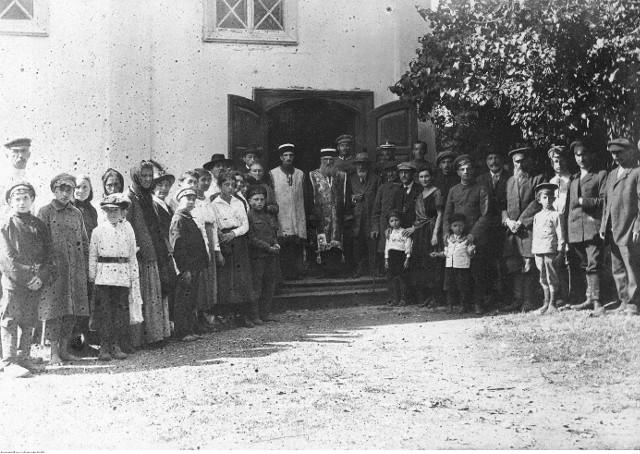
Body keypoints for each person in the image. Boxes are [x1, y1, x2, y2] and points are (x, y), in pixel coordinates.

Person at [0, 182, 54, 377]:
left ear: (32, 200)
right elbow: (7, 259)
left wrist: (41, 277)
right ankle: (8, 361)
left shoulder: (39, 225)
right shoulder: (6, 225)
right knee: (10, 319)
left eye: (26, 198)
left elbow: (49, 255)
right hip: (15, 283)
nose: (22, 202)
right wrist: (27, 278)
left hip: (36, 282)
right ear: (9, 201)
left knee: (30, 319)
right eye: (17, 198)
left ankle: (25, 357)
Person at [38, 174, 90, 364]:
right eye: (62, 189)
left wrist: (85, 267)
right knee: (54, 311)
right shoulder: (46, 212)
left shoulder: (76, 213)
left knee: (72, 310)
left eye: (69, 189)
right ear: (54, 190)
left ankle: (64, 350)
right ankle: (53, 353)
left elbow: (84, 241)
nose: (66, 193)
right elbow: (40, 243)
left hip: (75, 269)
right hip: (54, 270)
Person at [89, 193, 139, 361]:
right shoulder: (98, 231)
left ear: (122, 212)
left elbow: (132, 254)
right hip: (104, 276)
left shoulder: (128, 229)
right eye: (108, 211)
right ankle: (104, 347)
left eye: (116, 211)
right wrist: (92, 275)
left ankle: (115, 345)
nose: (112, 214)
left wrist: (133, 275)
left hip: (122, 275)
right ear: (103, 212)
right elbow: (93, 255)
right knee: (105, 312)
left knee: (119, 312)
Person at [126, 161, 171, 348]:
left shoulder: (148, 198)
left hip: (155, 252)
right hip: (141, 255)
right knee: (143, 295)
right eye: (143, 176)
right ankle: (141, 339)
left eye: (149, 176)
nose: (147, 179)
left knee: (154, 294)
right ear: (136, 176)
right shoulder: (130, 199)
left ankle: (155, 334)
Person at [442, 155, 490, 314]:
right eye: (462, 169)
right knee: (460, 274)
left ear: (473, 170)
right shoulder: (453, 190)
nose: (466, 171)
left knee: (477, 272)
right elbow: (447, 215)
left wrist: (473, 235)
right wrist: (447, 234)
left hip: (475, 237)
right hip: (456, 238)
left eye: (468, 168)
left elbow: (486, 215)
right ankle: (464, 303)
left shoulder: (481, 188)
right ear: (457, 172)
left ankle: (478, 303)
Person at [599, 138, 640, 317]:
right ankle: (624, 301)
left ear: (630, 152)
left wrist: (638, 226)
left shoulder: (636, 173)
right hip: (612, 228)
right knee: (617, 267)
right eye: (613, 153)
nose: (616, 156)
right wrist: (603, 226)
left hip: (629, 227)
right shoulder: (611, 174)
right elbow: (607, 203)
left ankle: (634, 304)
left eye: (619, 152)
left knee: (631, 266)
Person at [564, 140, 607, 313]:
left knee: (593, 263)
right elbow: (567, 209)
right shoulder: (573, 179)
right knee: (583, 264)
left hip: (592, 227)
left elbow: (604, 201)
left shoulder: (600, 175)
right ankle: (588, 298)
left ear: (592, 155)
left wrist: (585, 202)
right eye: (577, 155)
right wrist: (566, 234)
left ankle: (597, 300)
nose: (581, 158)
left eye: (584, 154)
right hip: (575, 229)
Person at [500, 147, 544, 312]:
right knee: (514, 266)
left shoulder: (537, 179)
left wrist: (521, 221)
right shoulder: (510, 181)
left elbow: (537, 202)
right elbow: (502, 205)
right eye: (517, 162)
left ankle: (529, 300)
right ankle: (517, 299)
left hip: (528, 229)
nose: (521, 164)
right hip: (511, 231)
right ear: (513, 163)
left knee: (528, 264)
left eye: (523, 161)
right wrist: (507, 221)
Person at [212, 170, 254, 327]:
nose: (230, 188)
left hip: (239, 240)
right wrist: (223, 238)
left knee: (241, 278)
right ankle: (228, 315)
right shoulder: (215, 204)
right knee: (227, 279)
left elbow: (245, 225)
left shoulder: (238, 202)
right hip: (225, 242)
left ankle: (242, 315)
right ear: (220, 186)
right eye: (226, 184)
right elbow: (215, 225)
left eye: (232, 185)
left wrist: (234, 233)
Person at [169, 188, 210, 341]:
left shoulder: (188, 218)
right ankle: (182, 331)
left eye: (194, 199)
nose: (191, 202)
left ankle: (190, 328)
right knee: (182, 299)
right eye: (188, 198)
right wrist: (184, 269)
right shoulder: (178, 219)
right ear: (179, 200)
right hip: (187, 267)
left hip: (195, 266)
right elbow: (178, 246)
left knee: (191, 298)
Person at [404, 164, 444, 307]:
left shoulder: (436, 192)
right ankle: (426, 296)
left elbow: (439, 214)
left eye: (426, 176)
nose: (424, 179)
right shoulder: (420, 195)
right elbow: (418, 218)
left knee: (433, 264)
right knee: (422, 264)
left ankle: (436, 297)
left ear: (431, 177)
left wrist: (435, 234)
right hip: (420, 231)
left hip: (432, 229)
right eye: (421, 177)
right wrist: (415, 229)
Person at [476, 148, 511, 306]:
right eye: (490, 158)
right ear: (486, 162)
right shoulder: (480, 179)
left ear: (502, 160)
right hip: (487, 226)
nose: (494, 161)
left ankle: (506, 296)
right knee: (487, 261)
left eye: (497, 157)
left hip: (505, 224)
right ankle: (490, 296)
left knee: (505, 261)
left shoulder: (510, 178)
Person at [70, 173, 100, 354]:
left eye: (85, 188)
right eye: (78, 187)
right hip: (73, 260)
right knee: (74, 301)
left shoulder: (92, 210)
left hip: (88, 258)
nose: (81, 191)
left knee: (87, 301)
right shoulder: (70, 209)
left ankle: (85, 341)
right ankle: (72, 344)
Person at [309, 148, 349, 277]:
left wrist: (347, 213)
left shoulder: (342, 175)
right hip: (320, 216)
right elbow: (309, 196)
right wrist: (312, 213)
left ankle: (336, 269)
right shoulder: (313, 175)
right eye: (325, 159)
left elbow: (346, 195)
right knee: (323, 240)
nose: (328, 162)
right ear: (321, 161)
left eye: (330, 160)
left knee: (337, 240)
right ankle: (324, 270)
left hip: (337, 215)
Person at [270, 144, 307, 280]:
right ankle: (285, 274)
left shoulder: (300, 174)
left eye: (291, 155)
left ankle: (297, 272)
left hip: (297, 213)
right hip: (281, 214)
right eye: (285, 155)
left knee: (296, 243)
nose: (288, 158)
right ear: (281, 157)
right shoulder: (273, 174)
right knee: (284, 243)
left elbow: (306, 195)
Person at [192, 168, 223, 331]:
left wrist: (217, 249)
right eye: (203, 180)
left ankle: (206, 314)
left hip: (210, 240)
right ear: (195, 182)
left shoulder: (207, 200)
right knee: (200, 279)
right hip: (199, 241)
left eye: (208, 180)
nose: (206, 183)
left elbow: (214, 225)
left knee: (209, 280)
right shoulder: (192, 201)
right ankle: (197, 317)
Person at [548, 145, 578, 306]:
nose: (559, 164)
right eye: (555, 161)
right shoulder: (552, 181)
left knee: (570, 259)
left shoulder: (573, 179)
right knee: (557, 258)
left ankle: (572, 295)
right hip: (555, 223)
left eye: (562, 160)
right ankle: (560, 294)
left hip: (569, 221)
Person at [247, 185, 280, 324]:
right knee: (257, 286)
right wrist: (268, 247)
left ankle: (265, 314)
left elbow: (272, 233)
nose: (259, 202)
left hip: (270, 255)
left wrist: (276, 243)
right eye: (256, 199)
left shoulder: (268, 216)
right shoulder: (248, 216)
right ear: (249, 201)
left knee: (269, 284)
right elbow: (252, 238)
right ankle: (255, 316)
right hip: (257, 256)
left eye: (262, 199)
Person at [531, 183, 565, 314]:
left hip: (551, 250)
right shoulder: (537, 216)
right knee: (542, 276)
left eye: (551, 197)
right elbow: (535, 234)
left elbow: (561, 234)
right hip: (539, 250)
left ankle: (553, 303)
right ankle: (545, 303)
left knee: (552, 276)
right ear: (539, 199)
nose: (548, 200)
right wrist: (534, 251)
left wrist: (561, 250)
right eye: (545, 197)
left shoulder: (556, 215)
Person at [346, 152, 381, 277]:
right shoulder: (351, 179)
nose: (361, 167)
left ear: (368, 166)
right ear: (355, 166)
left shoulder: (376, 179)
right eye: (358, 164)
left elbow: (379, 198)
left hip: (371, 217)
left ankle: (374, 269)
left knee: (373, 243)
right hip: (357, 217)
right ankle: (359, 269)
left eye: (363, 164)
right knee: (357, 245)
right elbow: (345, 198)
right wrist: (353, 198)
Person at [371, 161, 402, 277]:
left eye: (393, 171)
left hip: (399, 224)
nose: (390, 174)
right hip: (384, 224)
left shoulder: (401, 187)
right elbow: (376, 210)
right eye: (388, 172)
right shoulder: (382, 188)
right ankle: (383, 271)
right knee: (383, 248)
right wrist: (375, 227)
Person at [441, 213, 476, 314]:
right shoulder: (448, 239)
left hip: (462, 266)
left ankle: (463, 305)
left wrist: (472, 250)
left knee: (463, 286)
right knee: (449, 286)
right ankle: (450, 305)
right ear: (451, 227)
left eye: (460, 226)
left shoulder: (466, 240)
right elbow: (446, 252)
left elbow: (470, 253)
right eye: (455, 226)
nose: (458, 228)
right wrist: (438, 254)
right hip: (450, 266)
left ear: (464, 226)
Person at [384, 210, 413, 307]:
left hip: (401, 256)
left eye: (396, 220)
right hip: (392, 256)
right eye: (391, 221)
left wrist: (407, 258)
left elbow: (408, 245)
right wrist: (386, 259)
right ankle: (395, 299)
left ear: (400, 221)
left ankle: (403, 299)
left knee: (402, 278)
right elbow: (387, 246)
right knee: (393, 278)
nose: (394, 223)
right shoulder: (389, 233)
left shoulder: (404, 232)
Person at [0, 138, 33, 215]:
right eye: (15, 151)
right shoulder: (2, 178)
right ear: (7, 155)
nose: (21, 155)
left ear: (29, 155)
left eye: (23, 151)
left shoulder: (33, 178)